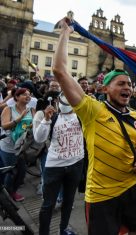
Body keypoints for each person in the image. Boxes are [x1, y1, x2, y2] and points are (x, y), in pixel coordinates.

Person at [52, 17, 136, 235]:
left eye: (130, 84)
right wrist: (66, 33)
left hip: (132, 187)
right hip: (101, 195)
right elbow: (59, 71)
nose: (128, 88)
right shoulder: (92, 110)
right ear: (105, 89)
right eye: (121, 84)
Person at [34, 93, 84, 235]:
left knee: (68, 202)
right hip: (54, 167)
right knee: (48, 204)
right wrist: (46, 120)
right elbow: (39, 138)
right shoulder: (53, 118)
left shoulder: (81, 117)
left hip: (75, 164)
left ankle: (63, 229)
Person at [0, 88, 35, 201]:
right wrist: (20, 118)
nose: (28, 96)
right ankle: (7, 197)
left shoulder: (32, 110)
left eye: (29, 94)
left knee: (21, 173)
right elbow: (4, 126)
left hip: (22, 147)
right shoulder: (8, 109)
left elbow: (35, 126)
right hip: (9, 146)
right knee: (11, 173)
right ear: (16, 97)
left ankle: (12, 192)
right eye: (24, 94)